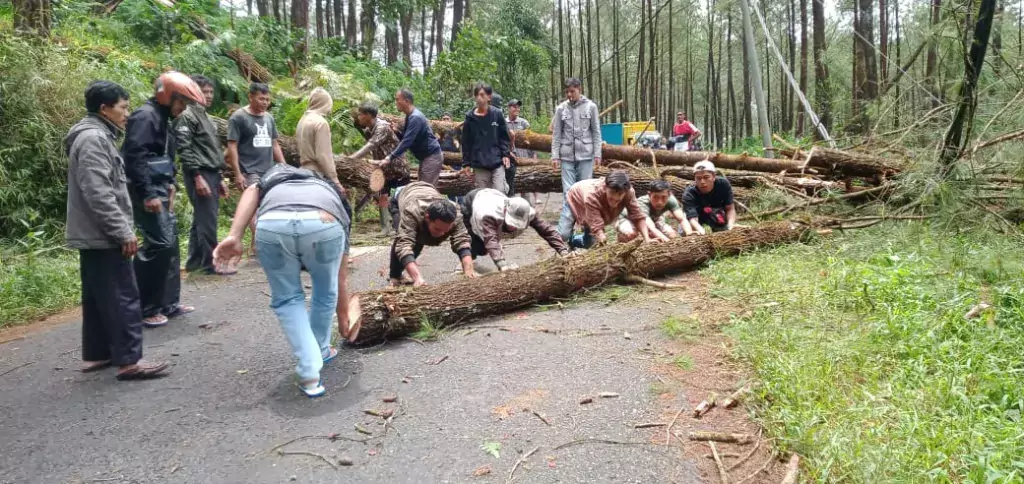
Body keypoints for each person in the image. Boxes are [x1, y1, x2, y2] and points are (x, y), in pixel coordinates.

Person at [213, 164, 351, 398]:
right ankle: (319, 350)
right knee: (325, 290)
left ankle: (309, 370)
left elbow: (251, 191)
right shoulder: (328, 188)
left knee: (288, 298)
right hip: (324, 221)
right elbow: (340, 277)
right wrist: (344, 316)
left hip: (273, 222)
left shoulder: (273, 176)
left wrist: (235, 235)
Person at [66, 80, 169, 380]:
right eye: (122, 108)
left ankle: (98, 354)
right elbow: (98, 191)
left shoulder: (92, 135)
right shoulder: (94, 139)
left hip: (93, 232)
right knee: (123, 294)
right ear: (104, 108)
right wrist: (122, 231)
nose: (127, 114)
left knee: (99, 295)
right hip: (103, 233)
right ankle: (129, 361)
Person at [122, 71, 203, 328]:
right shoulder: (145, 116)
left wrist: (171, 184)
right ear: (167, 96)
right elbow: (135, 157)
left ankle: (168, 302)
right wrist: (147, 194)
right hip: (147, 190)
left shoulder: (163, 118)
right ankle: (144, 307)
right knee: (158, 244)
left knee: (170, 245)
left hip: (160, 187)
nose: (182, 109)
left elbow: (166, 156)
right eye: (181, 102)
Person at [174, 74, 231, 275]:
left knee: (201, 218)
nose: (207, 96)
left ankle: (194, 261)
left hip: (211, 172)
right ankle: (212, 262)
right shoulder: (187, 115)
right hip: (199, 173)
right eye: (203, 91)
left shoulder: (206, 116)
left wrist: (220, 177)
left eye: (210, 92)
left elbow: (212, 149)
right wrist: (197, 176)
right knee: (208, 220)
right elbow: (184, 148)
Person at [226, 82, 287, 256]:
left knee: (267, 207)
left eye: (267, 99)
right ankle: (264, 245)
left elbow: (274, 143)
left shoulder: (269, 118)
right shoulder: (238, 117)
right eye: (261, 99)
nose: (264, 102)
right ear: (250, 97)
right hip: (249, 171)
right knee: (253, 209)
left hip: (268, 169)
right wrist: (237, 173)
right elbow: (232, 146)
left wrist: (283, 166)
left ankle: (256, 247)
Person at [389, 182, 476, 286]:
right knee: (410, 240)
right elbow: (404, 244)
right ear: (427, 217)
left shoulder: (456, 215)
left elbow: (462, 241)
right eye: (438, 229)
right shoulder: (412, 212)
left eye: (446, 230)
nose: (442, 234)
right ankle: (395, 276)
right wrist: (418, 278)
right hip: (402, 196)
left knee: (422, 237)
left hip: (427, 190)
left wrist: (469, 271)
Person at [461, 188, 568, 271]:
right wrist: (501, 264)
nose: (514, 227)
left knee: (489, 248)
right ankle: (467, 260)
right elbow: (491, 239)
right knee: (479, 246)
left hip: (493, 195)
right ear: (505, 211)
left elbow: (547, 230)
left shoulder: (529, 212)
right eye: (512, 222)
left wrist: (562, 250)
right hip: (472, 202)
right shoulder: (487, 215)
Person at [352, 101, 411, 235]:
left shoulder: (381, 127)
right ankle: (385, 228)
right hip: (384, 169)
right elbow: (367, 138)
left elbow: (370, 146)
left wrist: (353, 158)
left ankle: (405, 226)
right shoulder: (370, 129)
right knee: (382, 196)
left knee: (402, 197)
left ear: (368, 115)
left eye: (360, 115)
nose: (359, 117)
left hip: (398, 168)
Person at [559, 171, 652, 249]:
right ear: (605, 187)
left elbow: (638, 216)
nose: (615, 198)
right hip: (575, 198)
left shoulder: (629, 192)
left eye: (620, 194)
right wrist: (604, 244)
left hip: (594, 210)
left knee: (590, 244)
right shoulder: (592, 195)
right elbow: (597, 226)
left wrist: (647, 239)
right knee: (564, 235)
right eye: (611, 193)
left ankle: (573, 241)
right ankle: (568, 239)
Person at [551, 77, 602, 195]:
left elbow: (596, 133)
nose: (569, 94)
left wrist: (598, 154)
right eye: (567, 92)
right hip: (566, 157)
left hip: (586, 156)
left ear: (579, 89)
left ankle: (583, 214)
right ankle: (568, 214)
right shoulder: (560, 109)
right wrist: (555, 156)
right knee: (568, 192)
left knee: (585, 191)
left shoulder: (591, 107)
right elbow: (556, 134)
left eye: (572, 91)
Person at [385, 88, 443, 185]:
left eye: (397, 99)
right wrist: (397, 132)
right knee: (421, 189)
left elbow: (407, 142)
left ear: (406, 101)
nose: (396, 102)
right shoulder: (410, 116)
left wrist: (390, 157)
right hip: (426, 157)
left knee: (425, 192)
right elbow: (408, 138)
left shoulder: (415, 117)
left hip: (431, 157)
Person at [462, 83, 512, 193]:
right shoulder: (470, 117)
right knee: (483, 196)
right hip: (479, 164)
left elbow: (503, 136)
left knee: (500, 191)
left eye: (482, 95)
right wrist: (466, 163)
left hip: (497, 161)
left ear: (489, 97)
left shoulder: (497, 114)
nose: (479, 98)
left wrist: (506, 154)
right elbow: (466, 142)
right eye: (477, 95)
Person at [616, 180, 692, 242]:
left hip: (654, 218)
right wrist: (668, 242)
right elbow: (651, 227)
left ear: (669, 195)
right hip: (628, 218)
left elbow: (682, 219)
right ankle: (621, 240)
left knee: (672, 234)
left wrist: (690, 234)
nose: (659, 202)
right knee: (631, 234)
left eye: (663, 197)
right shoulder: (642, 203)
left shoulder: (671, 200)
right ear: (649, 195)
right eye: (655, 197)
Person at [295, 87, 341, 188]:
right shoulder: (321, 123)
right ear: (324, 104)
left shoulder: (302, 120)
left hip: (302, 170)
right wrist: (335, 179)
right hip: (316, 174)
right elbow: (323, 155)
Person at [682, 161, 737, 234]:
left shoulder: (723, 184)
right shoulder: (689, 193)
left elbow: (730, 208)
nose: (702, 182)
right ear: (694, 179)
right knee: (688, 228)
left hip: (715, 213)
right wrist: (702, 232)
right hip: (696, 216)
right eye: (698, 178)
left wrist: (730, 226)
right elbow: (692, 218)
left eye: (706, 177)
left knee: (723, 228)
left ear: (714, 177)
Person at [506, 99, 537, 205]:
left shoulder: (524, 123)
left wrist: (534, 156)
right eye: (514, 106)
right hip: (509, 162)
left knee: (525, 187)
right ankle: (511, 211)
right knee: (510, 187)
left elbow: (532, 141)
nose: (517, 109)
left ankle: (529, 212)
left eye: (518, 107)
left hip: (524, 160)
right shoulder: (504, 123)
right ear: (509, 108)